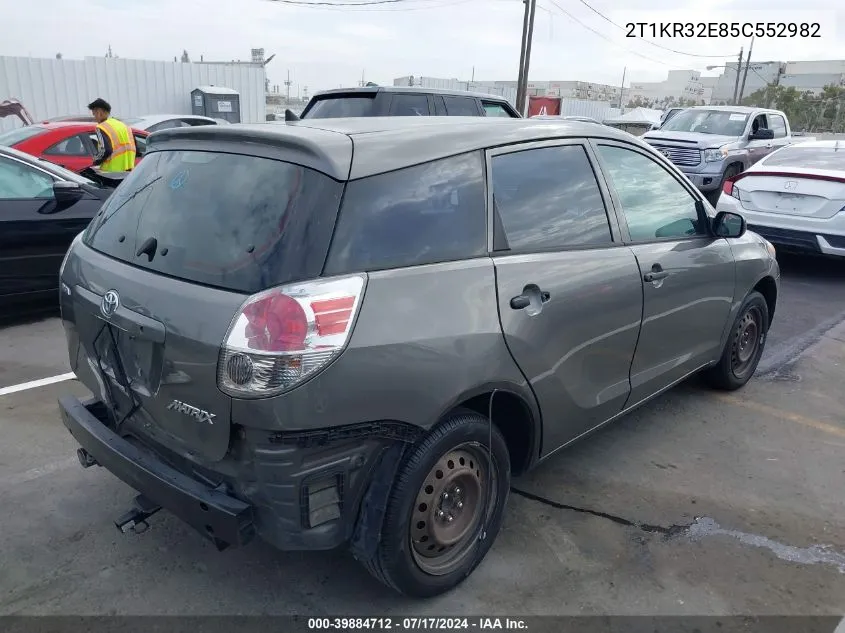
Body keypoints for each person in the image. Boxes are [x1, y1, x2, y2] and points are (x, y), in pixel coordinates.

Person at [88, 98, 136, 172]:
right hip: (128, 171)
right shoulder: (123, 125)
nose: (95, 118)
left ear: (99, 112)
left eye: (94, 114)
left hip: (112, 172)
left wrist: (95, 161)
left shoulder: (101, 127)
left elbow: (105, 150)